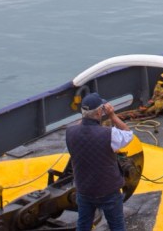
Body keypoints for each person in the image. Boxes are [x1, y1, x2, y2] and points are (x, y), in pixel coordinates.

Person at [65, 93, 135, 231]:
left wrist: (86, 117)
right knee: (117, 226)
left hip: (84, 189)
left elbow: (82, 128)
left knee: (83, 225)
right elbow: (128, 134)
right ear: (99, 112)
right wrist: (112, 116)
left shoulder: (70, 132)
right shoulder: (109, 134)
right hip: (108, 190)